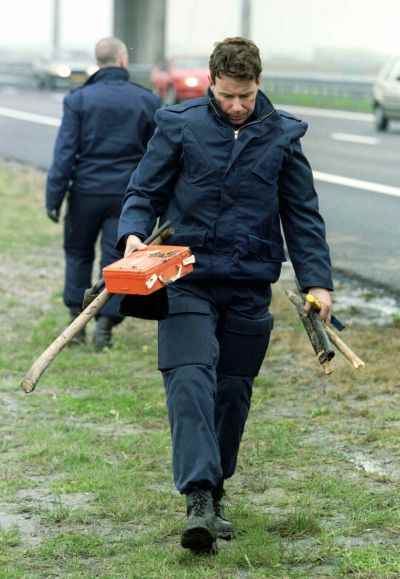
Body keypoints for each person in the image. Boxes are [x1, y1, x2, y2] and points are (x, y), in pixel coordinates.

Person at [117, 37, 333, 553]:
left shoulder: (282, 136)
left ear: (259, 85)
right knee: (189, 380)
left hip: (248, 284)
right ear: (212, 83)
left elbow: (301, 214)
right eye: (229, 95)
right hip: (186, 277)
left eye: (247, 95)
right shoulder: (179, 125)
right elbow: (142, 191)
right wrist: (131, 232)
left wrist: (317, 281)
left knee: (232, 393)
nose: (237, 106)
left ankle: (215, 490)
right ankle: (196, 498)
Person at [46, 37, 161, 350]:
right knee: (115, 260)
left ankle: (76, 324)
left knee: (77, 253)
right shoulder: (147, 100)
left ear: (99, 62)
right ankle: (105, 328)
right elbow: (157, 157)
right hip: (127, 196)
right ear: (123, 59)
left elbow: (65, 154)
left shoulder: (78, 99)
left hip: (85, 192)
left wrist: (53, 197)